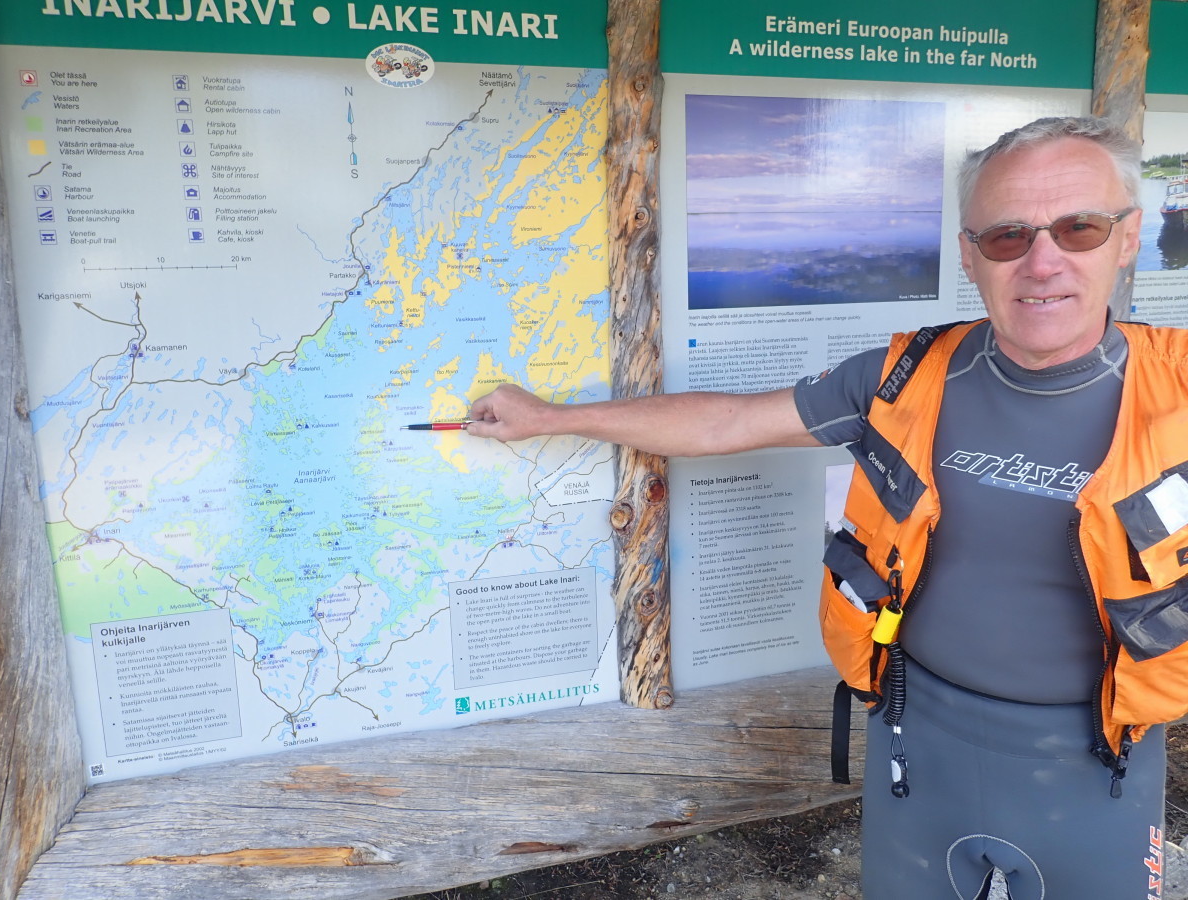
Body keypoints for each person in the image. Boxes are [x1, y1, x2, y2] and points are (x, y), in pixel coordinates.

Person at [466, 116, 1188, 899]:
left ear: (1126, 239)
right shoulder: (902, 378)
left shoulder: (1178, 393)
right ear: (970, 256)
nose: (1043, 261)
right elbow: (729, 421)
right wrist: (552, 418)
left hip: (1098, 768)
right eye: (1009, 236)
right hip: (916, 741)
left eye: (1078, 227)